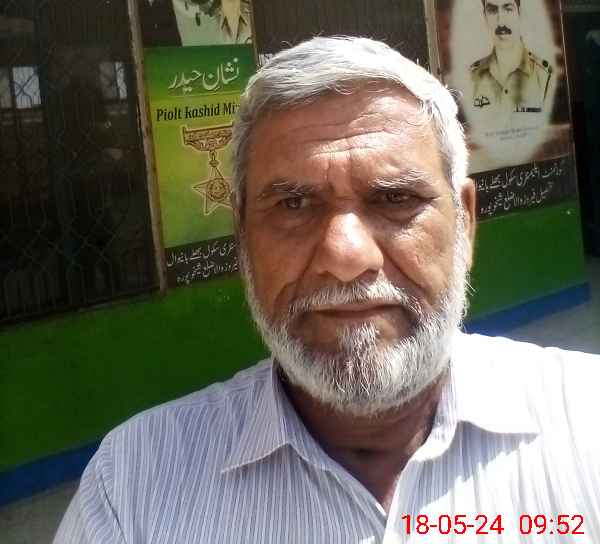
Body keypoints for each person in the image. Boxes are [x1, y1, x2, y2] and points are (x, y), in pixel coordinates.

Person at [55, 37, 600, 543]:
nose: (346, 257)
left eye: (395, 199)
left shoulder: (586, 421)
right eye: (293, 204)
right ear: (243, 239)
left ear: (465, 224)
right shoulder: (131, 491)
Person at [470, 0, 552, 115]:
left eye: (508, 9)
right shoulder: (472, 79)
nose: (501, 21)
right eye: (492, 10)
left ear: (519, 12)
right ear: (485, 15)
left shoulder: (544, 76)